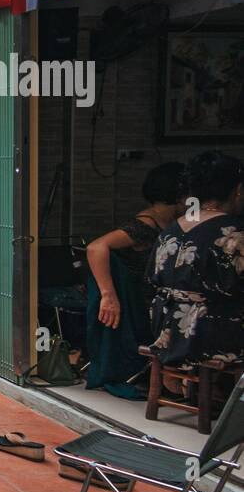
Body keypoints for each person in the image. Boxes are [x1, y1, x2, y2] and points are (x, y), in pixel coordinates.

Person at [83, 162, 187, 398]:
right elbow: (96, 247)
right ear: (180, 195)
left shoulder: (167, 224)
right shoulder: (144, 226)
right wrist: (108, 296)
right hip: (141, 307)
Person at [148, 151, 244, 370]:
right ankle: (229, 397)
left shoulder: (171, 230)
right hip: (210, 335)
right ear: (237, 190)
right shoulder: (234, 231)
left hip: (167, 329)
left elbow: (152, 279)